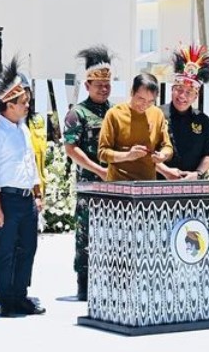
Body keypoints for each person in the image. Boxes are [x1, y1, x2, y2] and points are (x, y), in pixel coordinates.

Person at [0, 57, 45, 318]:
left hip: (26, 199)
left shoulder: (22, 129)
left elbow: (29, 163)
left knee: (28, 248)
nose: (27, 106)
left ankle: (20, 294)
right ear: (9, 104)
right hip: (6, 200)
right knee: (6, 250)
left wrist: (37, 194)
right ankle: (6, 299)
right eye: (23, 103)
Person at [63, 45, 113, 301]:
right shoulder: (77, 114)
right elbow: (71, 149)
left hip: (114, 186)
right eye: (98, 84)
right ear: (87, 85)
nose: (104, 89)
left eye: (107, 84)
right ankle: (84, 283)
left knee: (112, 234)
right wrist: (98, 170)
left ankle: (109, 282)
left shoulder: (117, 112)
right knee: (87, 235)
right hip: (90, 186)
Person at [98, 73, 174, 181]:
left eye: (150, 101)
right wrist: (128, 155)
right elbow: (103, 153)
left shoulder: (157, 114)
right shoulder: (114, 114)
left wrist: (163, 155)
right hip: (119, 184)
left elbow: (168, 147)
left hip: (147, 184)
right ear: (131, 92)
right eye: (141, 99)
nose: (145, 105)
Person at [161, 44, 209, 181]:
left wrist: (197, 174)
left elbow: (208, 154)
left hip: (192, 186)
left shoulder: (203, 120)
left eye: (189, 92)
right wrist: (166, 172)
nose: (182, 96)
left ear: (196, 96)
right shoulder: (157, 114)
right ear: (171, 90)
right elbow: (146, 151)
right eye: (179, 89)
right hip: (159, 182)